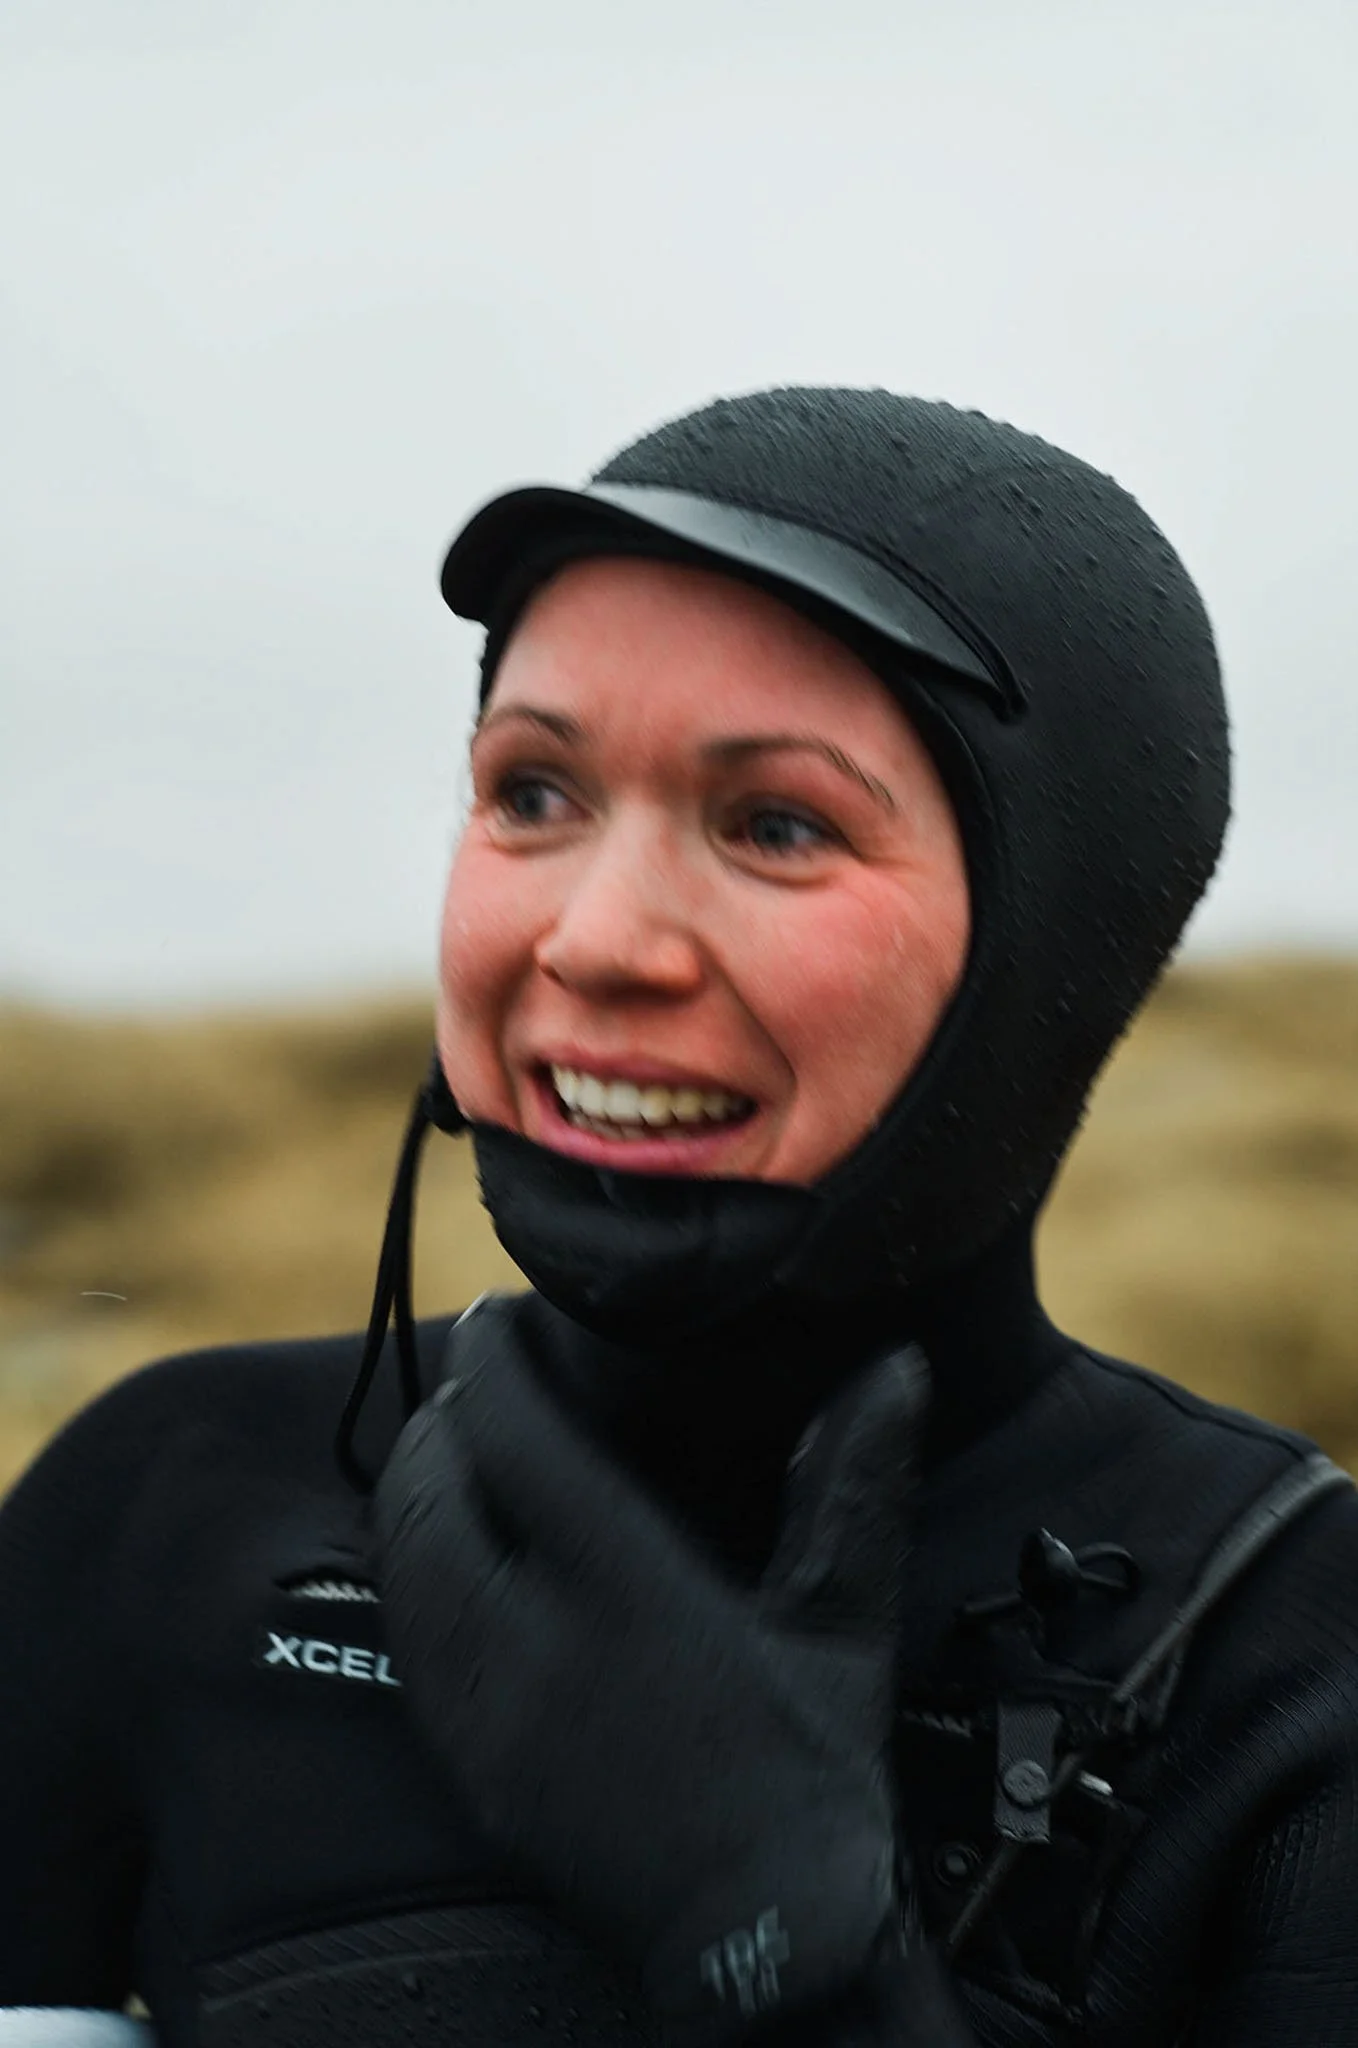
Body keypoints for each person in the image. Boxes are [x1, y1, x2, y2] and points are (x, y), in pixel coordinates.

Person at [2, 386, 1356, 2047]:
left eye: (776, 826)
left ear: (1051, 954)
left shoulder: (1294, 1661)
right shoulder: (166, 1506)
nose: (593, 939)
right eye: (532, 793)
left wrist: (777, 1938)